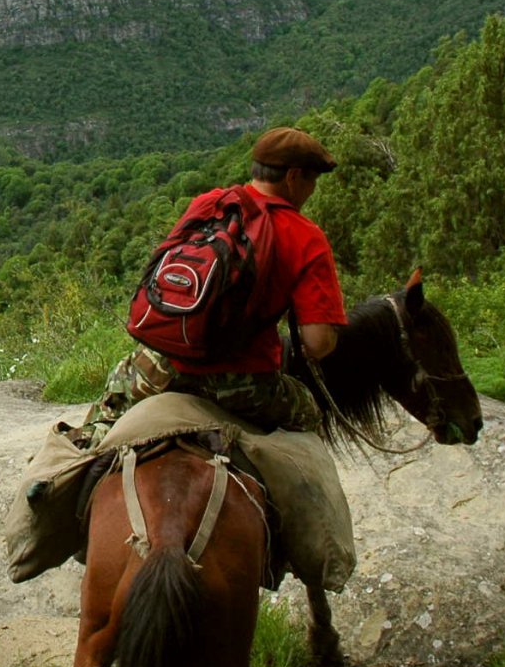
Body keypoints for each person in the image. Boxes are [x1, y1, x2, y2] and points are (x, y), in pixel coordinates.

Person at [80, 126, 348, 441]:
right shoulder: (306, 236)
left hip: (160, 366)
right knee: (309, 415)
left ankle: (64, 472)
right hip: (244, 383)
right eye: (312, 180)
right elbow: (318, 343)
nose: (312, 190)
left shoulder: (209, 203)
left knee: (97, 430)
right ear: (293, 177)